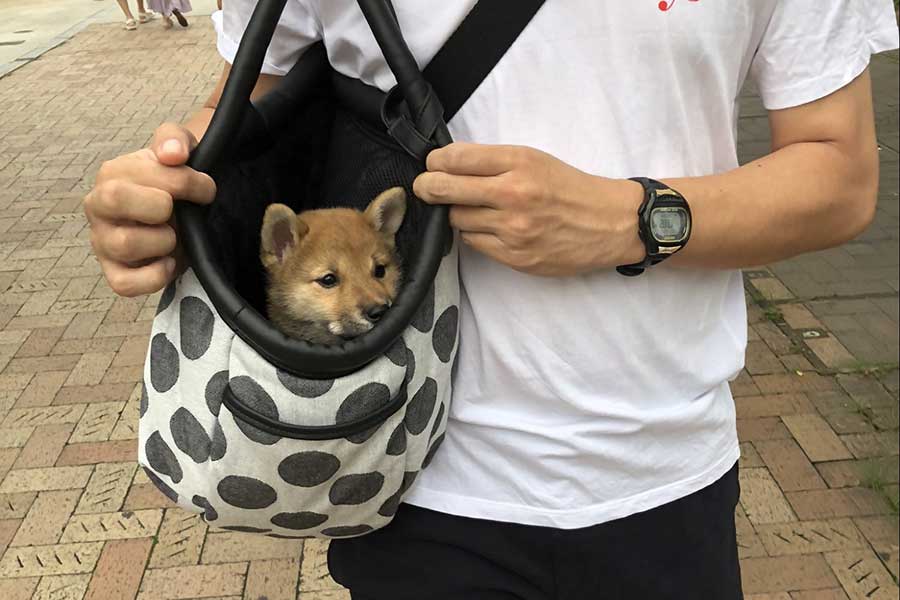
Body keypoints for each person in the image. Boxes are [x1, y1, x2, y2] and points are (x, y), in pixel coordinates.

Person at [84, 2, 899, 598]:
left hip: (664, 477)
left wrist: (627, 218)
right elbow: (238, 118)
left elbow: (840, 176)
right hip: (403, 476)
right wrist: (158, 189)